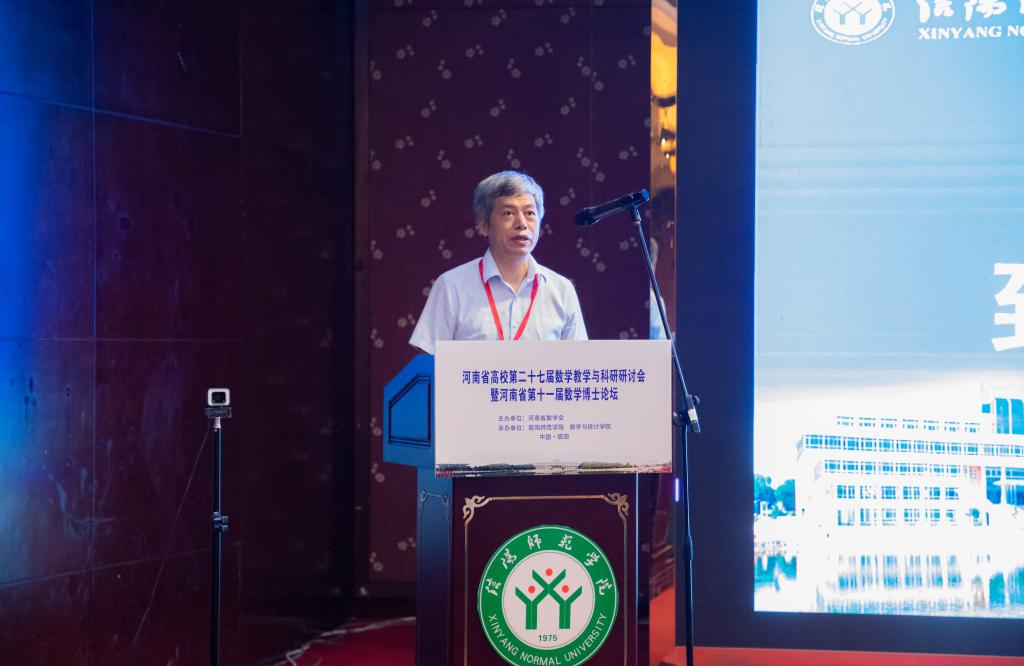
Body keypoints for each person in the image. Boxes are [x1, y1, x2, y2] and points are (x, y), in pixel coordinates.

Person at [409, 171, 587, 354]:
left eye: (530, 213)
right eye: (508, 213)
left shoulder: (562, 290)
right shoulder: (451, 286)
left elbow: (580, 362)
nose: (522, 223)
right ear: (483, 225)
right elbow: (428, 362)